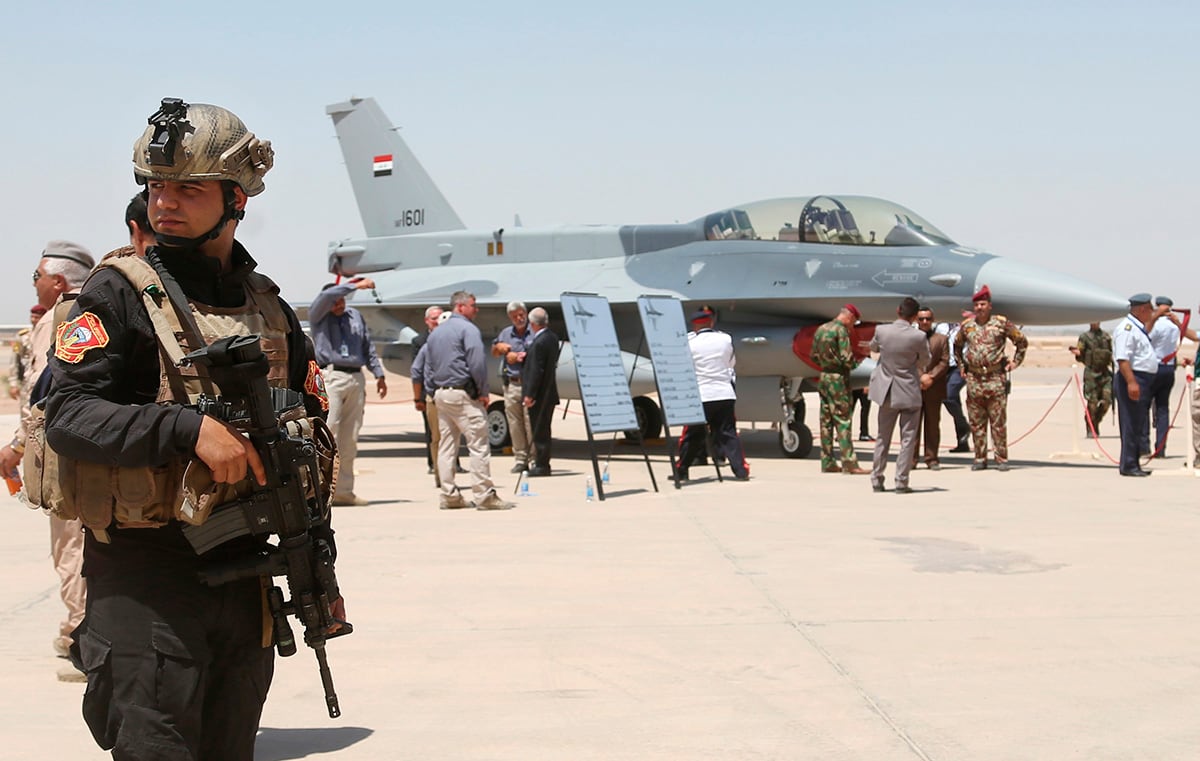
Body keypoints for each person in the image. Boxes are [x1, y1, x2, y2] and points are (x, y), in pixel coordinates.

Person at [43, 98, 337, 760]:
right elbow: (68, 414)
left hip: (246, 578)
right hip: (146, 576)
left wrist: (319, 561)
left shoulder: (268, 306)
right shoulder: (118, 294)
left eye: (187, 188)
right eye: (155, 187)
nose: (164, 202)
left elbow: (306, 440)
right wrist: (185, 428)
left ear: (236, 199)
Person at [1, 242, 95, 683]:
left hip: (63, 456)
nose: (34, 283)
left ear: (57, 281)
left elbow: (42, 395)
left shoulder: (61, 317)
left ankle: (83, 637)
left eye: (37, 275)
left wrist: (17, 448)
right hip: (99, 451)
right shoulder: (101, 308)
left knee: (71, 548)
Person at [422, 290, 514, 510]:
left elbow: (429, 366)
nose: (477, 309)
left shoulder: (436, 333)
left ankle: (449, 495)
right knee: (479, 444)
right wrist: (483, 391)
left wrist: (433, 391)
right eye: (473, 305)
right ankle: (484, 496)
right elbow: (477, 363)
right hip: (463, 395)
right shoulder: (468, 329)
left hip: (442, 394)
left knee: (446, 446)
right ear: (460, 307)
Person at [310, 277, 388, 506]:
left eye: (342, 300)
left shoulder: (355, 317)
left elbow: (367, 346)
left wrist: (379, 374)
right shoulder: (319, 315)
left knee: (350, 437)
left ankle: (344, 491)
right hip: (331, 377)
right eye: (335, 300)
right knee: (328, 432)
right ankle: (318, 490)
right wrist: (356, 285)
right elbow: (325, 298)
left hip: (356, 377)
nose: (339, 304)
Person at [953, 285, 1028, 471]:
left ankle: (1001, 458)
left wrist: (1015, 362)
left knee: (998, 422)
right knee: (976, 422)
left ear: (989, 306)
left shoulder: (1001, 324)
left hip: (995, 377)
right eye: (977, 304)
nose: (979, 307)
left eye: (983, 304)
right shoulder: (967, 326)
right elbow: (956, 346)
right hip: (974, 379)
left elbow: (1021, 341)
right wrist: (962, 367)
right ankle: (979, 458)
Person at [674, 307, 750, 481]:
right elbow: (731, 363)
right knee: (729, 434)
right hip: (724, 394)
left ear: (694, 325)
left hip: (701, 395)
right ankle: (741, 470)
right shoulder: (725, 339)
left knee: (692, 435)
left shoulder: (689, 342)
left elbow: (686, 367)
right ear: (712, 322)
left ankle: (682, 470)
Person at [868, 297, 931, 493]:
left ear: (898, 311)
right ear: (914, 317)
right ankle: (901, 481)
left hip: (886, 391)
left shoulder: (882, 331)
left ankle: (877, 478)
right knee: (907, 439)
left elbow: (873, 347)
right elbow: (924, 361)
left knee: (882, 438)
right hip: (908, 391)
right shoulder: (918, 336)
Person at [812, 304, 869, 474]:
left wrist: (826, 364)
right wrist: (856, 362)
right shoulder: (841, 331)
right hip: (838, 379)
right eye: (854, 322)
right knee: (843, 419)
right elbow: (846, 358)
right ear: (850, 317)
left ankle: (827, 461)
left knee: (826, 420)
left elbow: (813, 355)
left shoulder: (821, 329)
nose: (853, 326)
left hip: (824, 377)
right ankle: (849, 462)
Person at [1112, 293, 1163, 476]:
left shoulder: (1137, 328)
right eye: (1150, 309)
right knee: (1131, 423)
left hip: (1142, 379)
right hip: (1132, 378)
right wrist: (1131, 382)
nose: (1152, 312)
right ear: (1142, 309)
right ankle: (1129, 465)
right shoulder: (1126, 329)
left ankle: (1134, 463)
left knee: (1138, 422)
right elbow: (1123, 358)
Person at [1144, 296, 1197, 457]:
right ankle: (1161, 449)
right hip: (1168, 369)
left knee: (1144, 408)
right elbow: (1191, 336)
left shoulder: (1155, 325)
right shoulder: (1174, 326)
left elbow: (1145, 335)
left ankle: (1144, 447)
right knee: (1162, 410)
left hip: (1152, 369)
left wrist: (1153, 317)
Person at [492, 301, 534, 473]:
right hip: (512, 384)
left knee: (530, 423)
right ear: (510, 317)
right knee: (515, 424)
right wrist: (501, 348)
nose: (519, 317)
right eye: (515, 315)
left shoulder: (535, 332)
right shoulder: (506, 333)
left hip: (530, 385)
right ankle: (521, 459)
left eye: (522, 313)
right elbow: (494, 352)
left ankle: (535, 459)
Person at [521, 307, 561, 476]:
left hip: (540, 395)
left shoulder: (539, 342)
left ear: (532, 324)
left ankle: (542, 465)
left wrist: (529, 394)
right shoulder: (552, 337)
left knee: (540, 430)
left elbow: (536, 371)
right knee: (544, 428)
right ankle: (542, 462)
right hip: (549, 393)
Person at [913, 306, 949, 470]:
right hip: (914, 387)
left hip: (934, 388)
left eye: (928, 318)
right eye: (921, 319)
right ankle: (911, 459)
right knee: (912, 426)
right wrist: (921, 376)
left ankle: (932, 458)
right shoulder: (911, 338)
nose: (925, 322)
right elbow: (908, 360)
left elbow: (944, 361)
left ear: (932, 320)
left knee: (933, 425)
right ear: (916, 320)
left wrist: (931, 377)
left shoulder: (941, 339)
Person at [411, 305, 443, 475]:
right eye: (433, 319)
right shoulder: (420, 342)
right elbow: (417, 371)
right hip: (429, 394)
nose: (437, 322)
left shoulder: (449, 338)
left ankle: (454, 464)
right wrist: (419, 398)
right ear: (426, 321)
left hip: (447, 391)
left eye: (440, 317)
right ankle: (433, 464)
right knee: (432, 431)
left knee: (450, 430)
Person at [1069, 321, 1114, 432]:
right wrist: (1078, 353)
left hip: (1105, 374)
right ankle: (1090, 425)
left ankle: (1095, 422)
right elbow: (1080, 353)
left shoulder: (1106, 336)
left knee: (1107, 401)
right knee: (1092, 403)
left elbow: (1111, 352)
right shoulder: (1085, 337)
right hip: (1091, 374)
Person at [936, 317, 972, 452]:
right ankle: (963, 441)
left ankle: (964, 426)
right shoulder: (940, 326)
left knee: (949, 395)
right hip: (944, 366)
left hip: (960, 367)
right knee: (954, 401)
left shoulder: (966, 326)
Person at [8, 304, 46, 400]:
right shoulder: (23, 337)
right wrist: (13, 383)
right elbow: (14, 360)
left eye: (37, 317)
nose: (33, 320)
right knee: (26, 411)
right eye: (32, 317)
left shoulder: (49, 334)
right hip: (27, 381)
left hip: (44, 380)